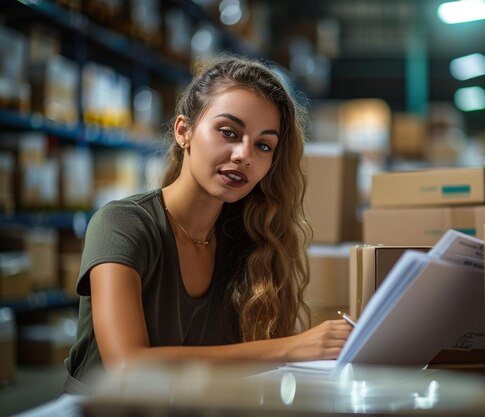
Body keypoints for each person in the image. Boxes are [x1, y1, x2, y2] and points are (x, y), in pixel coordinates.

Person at [63, 56, 352, 394]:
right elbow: (128, 367)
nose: (244, 154)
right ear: (184, 131)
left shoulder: (247, 244)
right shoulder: (122, 224)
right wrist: (291, 348)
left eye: (263, 145)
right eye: (229, 132)